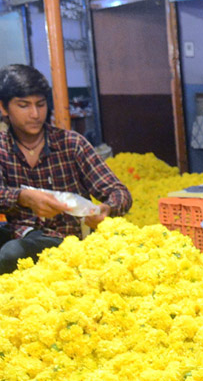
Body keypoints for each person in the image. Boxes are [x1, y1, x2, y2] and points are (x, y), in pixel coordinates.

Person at [0, 64, 131, 274]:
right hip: (22, 232)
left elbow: (119, 192)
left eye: (40, 104)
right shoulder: (2, 148)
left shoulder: (71, 144)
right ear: (4, 108)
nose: (35, 114)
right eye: (24, 105)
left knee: (11, 254)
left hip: (66, 241)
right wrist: (23, 197)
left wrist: (106, 209)